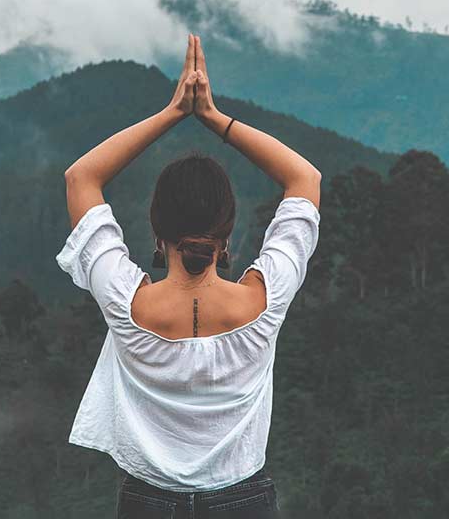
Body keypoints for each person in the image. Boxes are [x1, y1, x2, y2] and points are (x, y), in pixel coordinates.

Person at [57, 33, 321, 517]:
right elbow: (305, 178)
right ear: (227, 236)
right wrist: (214, 117)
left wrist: (174, 112)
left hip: (147, 505)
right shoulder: (264, 301)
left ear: (158, 234)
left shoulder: (126, 302)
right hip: (244, 503)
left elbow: (82, 177)